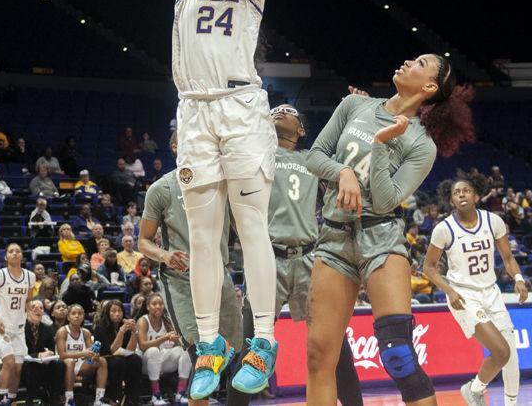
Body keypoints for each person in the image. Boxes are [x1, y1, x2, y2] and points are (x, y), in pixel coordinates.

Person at [174, 0, 278, 399]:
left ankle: (263, 339)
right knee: (202, 234)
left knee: (250, 224)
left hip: (241, 110)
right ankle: (211, 343)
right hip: (193, 111)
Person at [305, 60, 475, 406]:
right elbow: (314, 156)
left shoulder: (421, 144)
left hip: (381, 238)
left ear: (429, 87)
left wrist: (381, 145)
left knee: (399, 356)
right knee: (319, 356)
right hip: (334, 238)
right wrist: (343, 173)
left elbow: (384, 202)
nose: (409, 61)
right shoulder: (354, 105)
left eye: (421, 63)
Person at [235, 104, 363, 405]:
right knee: (249, 346)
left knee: (335, 344)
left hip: (308, 258)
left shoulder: (311, 160)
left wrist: (355, 113)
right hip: (268, 258)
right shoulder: (257, 156)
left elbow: (349, 154)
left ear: (302, 129)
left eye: (288, 110)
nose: (279, 112)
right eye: (275, 110)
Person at [139, 130, 243, 405]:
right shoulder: (161, 189)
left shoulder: (220, 183)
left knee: (238, 356)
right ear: (174, 147)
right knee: (203, 357)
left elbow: (241, 225)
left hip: (220, 276)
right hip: (182, 280)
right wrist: (164, 255)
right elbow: (143, 242)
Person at [424, 178, 527, 406]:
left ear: (476, 196)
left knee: (512, 357)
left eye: (466, 191)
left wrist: (518, 278)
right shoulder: (444, 229)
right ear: (451, 199)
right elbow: (428, 268)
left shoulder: (493, 221)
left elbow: (508, 258)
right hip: (464, 295)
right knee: (501, 351)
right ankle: (474, 389)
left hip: (491, 292)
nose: (461, 195)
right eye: (457, 193)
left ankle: (502, 400)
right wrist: (449, 291)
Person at [0, 243, 35, 406]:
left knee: (18, 368)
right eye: (11, 251)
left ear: (22, 255)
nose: (15, 253)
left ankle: (11, 400)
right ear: (6, 256)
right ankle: (2, 399)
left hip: (18, 327)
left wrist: (30, 312)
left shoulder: (30, 276)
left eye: (18, 251)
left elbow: (28, 299)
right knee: (9, 362)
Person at [137, 293, 192, 406]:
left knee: (185, 351)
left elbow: (179, 342)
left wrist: (176, 340)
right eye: (154, 304)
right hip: (144, 363)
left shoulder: (166, 320)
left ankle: (181, 393)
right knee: (153, 351)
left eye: (161, 304)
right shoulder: (143, 321)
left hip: (161, 361)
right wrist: (164, 338)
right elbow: (142, 346)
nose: (158, 306)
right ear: (148, 307)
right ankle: (156, 395)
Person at [55, 303, 109, 406]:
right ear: (68, 317)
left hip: (80, 365)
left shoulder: (86, 333)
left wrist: (95, 356)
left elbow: (91, 352)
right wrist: (82, 353)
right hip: (64, 365)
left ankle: (99, 400)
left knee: (102, 361)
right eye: (73, 313)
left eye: (80, 313)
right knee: (70, 362)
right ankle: (69, 400)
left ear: (83, 316)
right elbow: (62, 355)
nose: (77, 316)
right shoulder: (62, 331)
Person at [92, 299, 142, 406]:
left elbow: (130, 350)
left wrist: (134, 332)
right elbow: (111, 351)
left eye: (120, 311)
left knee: (136, 359)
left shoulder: (126, 326)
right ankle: (114, 397)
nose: (117, 314)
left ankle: (131, 397)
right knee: (118, 361)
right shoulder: (100, 327)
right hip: (104, 360)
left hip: (121, 358)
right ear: (107, 313)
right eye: (113, 311)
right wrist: (121, 331)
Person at [22, 300, 66, 403]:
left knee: (60, 364)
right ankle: (31, 400)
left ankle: (55, 397)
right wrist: (37, 355)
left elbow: (51, 349)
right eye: (34, 307)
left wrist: (50, 353)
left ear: (43, 313)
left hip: (43, 363)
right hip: (25, 364)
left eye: (41, 308)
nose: (38, 309)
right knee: (32, 368)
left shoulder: (47, 329)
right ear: (27, 311)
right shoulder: (20, 328)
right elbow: (19, 353)